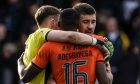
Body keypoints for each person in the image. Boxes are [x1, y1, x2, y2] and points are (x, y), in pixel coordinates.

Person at [17, 5, 113, 84]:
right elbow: (105, 81)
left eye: (93, 22)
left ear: (59, 24)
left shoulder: (49, 46)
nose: (90, 27)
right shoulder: (98, 45)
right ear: (77, 23)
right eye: (85, 22)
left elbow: (29, 77)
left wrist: (19, 62)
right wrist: (109, 75)